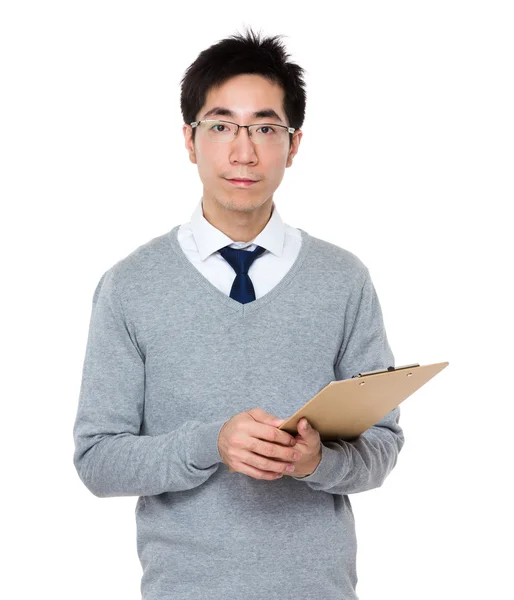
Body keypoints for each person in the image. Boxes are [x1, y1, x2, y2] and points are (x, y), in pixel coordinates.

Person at [73, 27, 405, 600]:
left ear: (293, 145)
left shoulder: (343, 279)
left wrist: (315, 460)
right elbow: (98, 459)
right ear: (189, 138)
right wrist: (212, 443)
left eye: (265, 128)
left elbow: (382, 445)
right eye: (221, 125)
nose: (243, 150)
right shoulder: (130, 285)